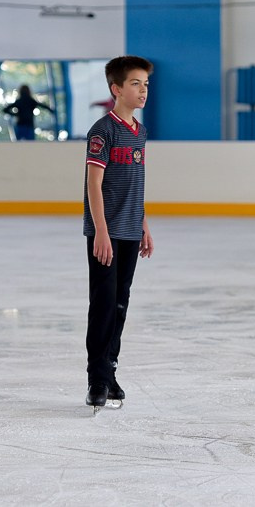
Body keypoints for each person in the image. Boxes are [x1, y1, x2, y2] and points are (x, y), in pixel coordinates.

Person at [83, 56, 154, 409]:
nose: (143, 90)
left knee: (121, 303)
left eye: (145, 84)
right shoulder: (102, 131)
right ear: (116, 89)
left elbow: (136, 184)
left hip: (129, 230)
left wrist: (142, 224)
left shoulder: (139, 132)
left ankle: (110, 371)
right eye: (135, 84)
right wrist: (100, 232)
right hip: (105, 234)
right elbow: (94, 185)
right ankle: (96, 378)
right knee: (103, 305)